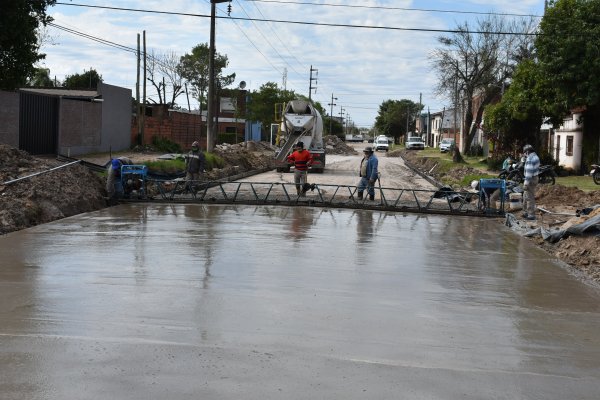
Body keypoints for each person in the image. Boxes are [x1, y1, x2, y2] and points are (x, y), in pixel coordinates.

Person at [522, 144, 540, 220]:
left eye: (525, 153)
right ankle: (525, 212)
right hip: (535, 178)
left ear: (527, 152)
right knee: (526, 195)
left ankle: (531, 214)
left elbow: (529, 173)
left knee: (529, 197)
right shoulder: (536, 157)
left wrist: (526, 183)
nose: (524, 154)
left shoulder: (530, 159)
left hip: (530, 180)